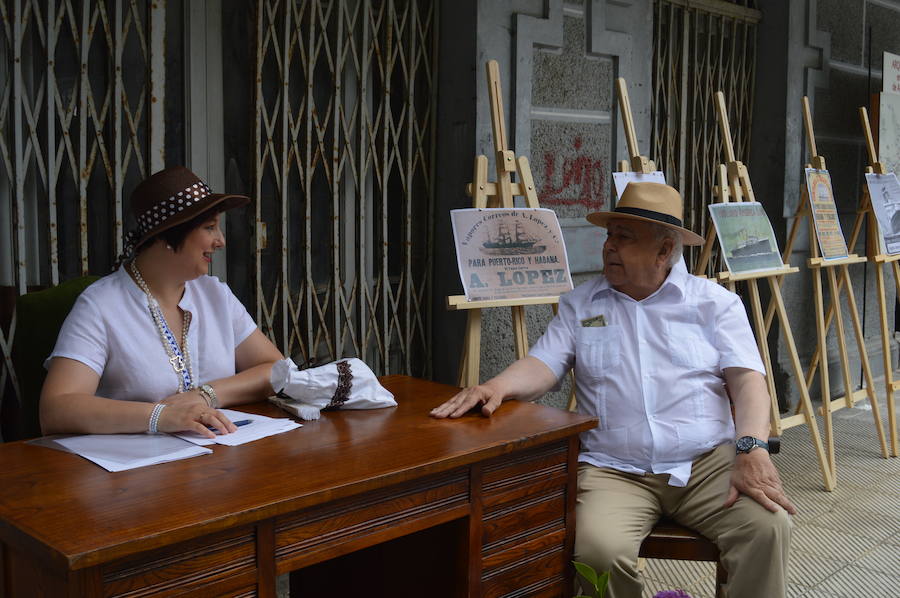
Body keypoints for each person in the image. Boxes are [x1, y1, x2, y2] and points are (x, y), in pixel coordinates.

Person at [431, 182, 795, 598]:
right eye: (609, 234)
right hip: (613, 469)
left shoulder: (714, 304)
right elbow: (543, 364)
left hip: (705, 464)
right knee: (597, 553)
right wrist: (495, 386)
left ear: (664, 251)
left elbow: (748, 380)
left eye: (624, 237)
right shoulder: (582, 304)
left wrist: (752, 449)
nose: (609, 247)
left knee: (767, 527)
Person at [41, 166, 284, 439]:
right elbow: (56, 409)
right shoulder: (101, 306)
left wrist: (205, 395)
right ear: (168, 234)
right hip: (136, 470)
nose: (221, 241)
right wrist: (159, 416)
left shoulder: (215, 294)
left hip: (218, 460)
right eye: (209, 227)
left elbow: (276, 369)